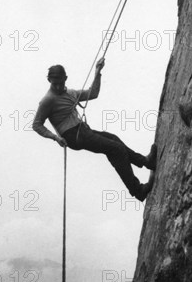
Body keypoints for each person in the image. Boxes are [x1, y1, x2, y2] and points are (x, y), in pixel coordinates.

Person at [32, 58, 157, 201]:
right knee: (115, 149)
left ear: (65, 78)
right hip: (73, 136)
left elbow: (93, 93)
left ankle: (146, 162)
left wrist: (98, 72)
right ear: (48, 80)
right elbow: (36, 124)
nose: (59, 87)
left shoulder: (70, 93)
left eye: (61, 82)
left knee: (113, 139)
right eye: (55, 84)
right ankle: (138, 190)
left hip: (82, 131)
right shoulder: (48, 100)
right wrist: (55, 137)